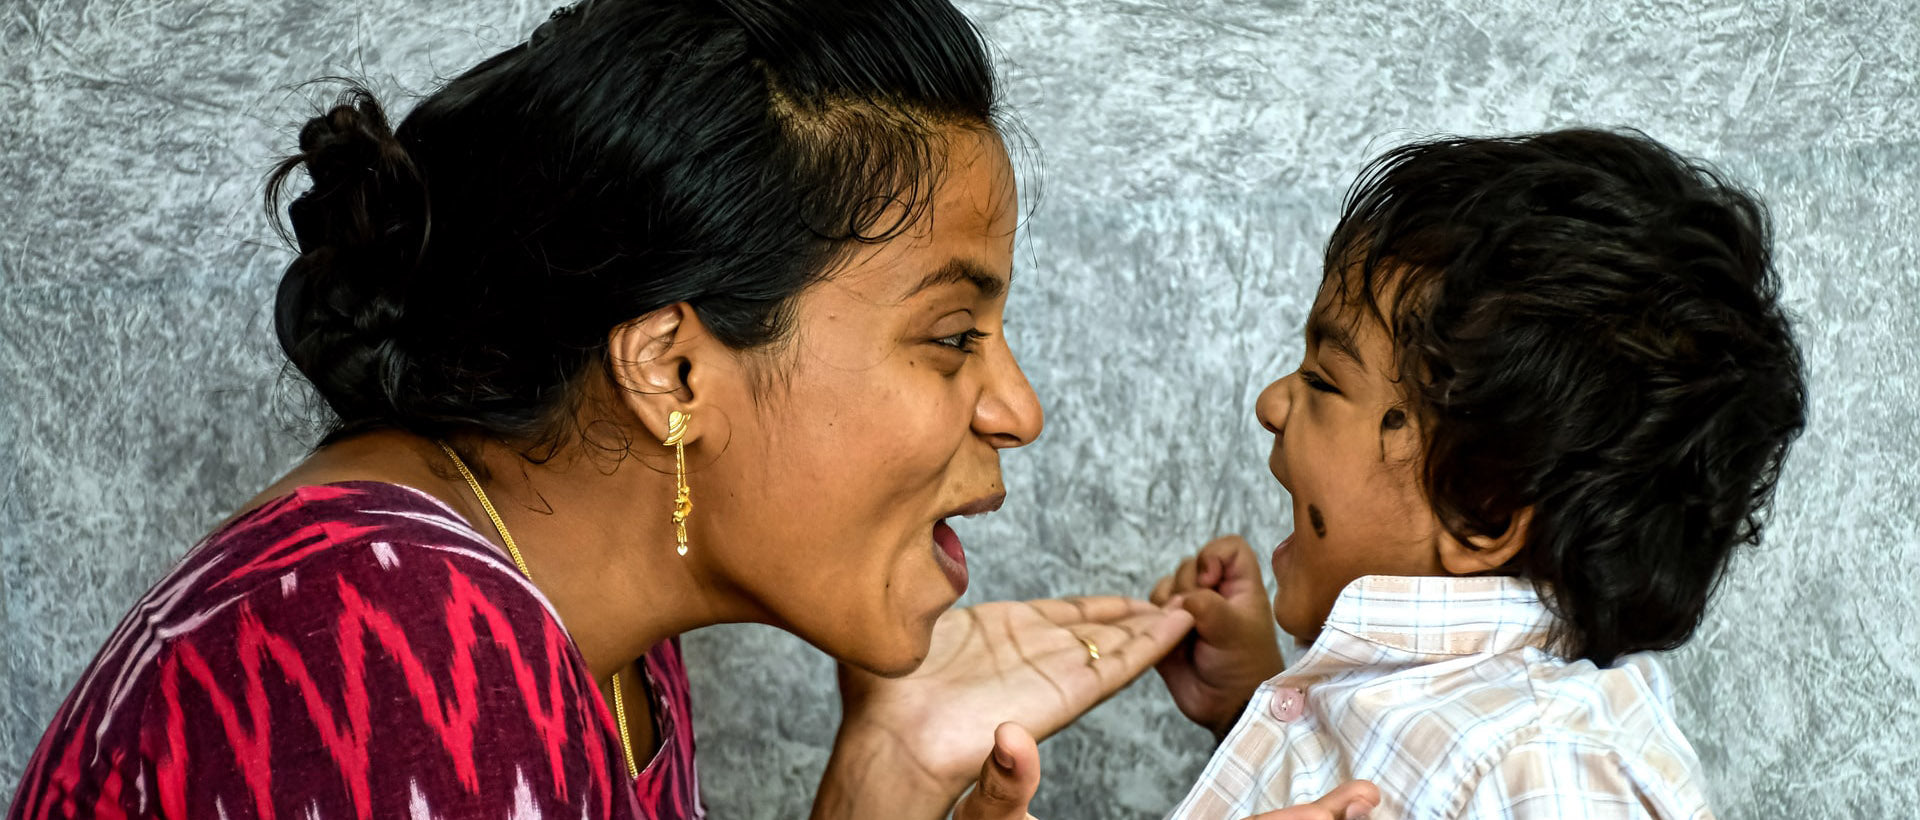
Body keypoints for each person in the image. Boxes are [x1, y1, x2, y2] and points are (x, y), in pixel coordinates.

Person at [5, 2, 1369, 818]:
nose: (1017, 407)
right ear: (671, 368)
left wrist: (882, 780)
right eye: (952, 335)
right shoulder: (387, 643)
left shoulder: (586, 637)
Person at [1148, 129, 1808, 818]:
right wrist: (1250, 708)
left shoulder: (1545, 763)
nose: (1271, 402)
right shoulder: (1462, 727)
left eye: (1324, 378)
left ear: (1481, 507)